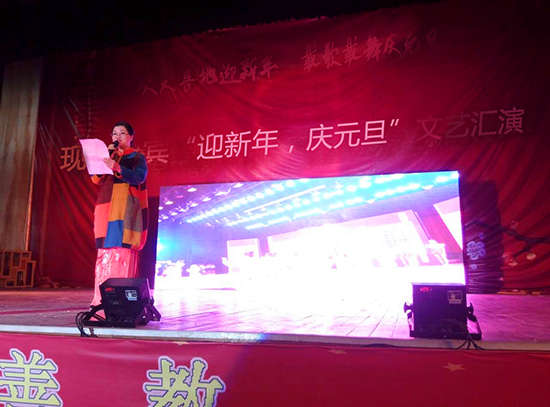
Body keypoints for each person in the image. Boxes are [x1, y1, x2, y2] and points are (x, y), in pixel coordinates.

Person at [89, 121, 148, 306]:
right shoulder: (107, 156)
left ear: (131, 137)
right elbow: (96, 179)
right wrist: (104, 160)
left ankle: (122, 303)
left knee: (122, 251)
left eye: (122, 133)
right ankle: (100, 301)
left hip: (125, 209)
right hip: (106, 208)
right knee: (104, 252)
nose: (117, 137)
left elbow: (139, 177)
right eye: (114, 133)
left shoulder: (137, 157)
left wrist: (117, 166)